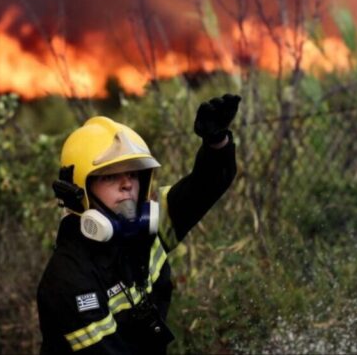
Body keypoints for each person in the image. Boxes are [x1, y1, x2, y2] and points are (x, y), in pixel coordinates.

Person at [38, 94, 241, 354]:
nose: (127, 185)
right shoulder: (67, 279)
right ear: (78, 191)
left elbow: (204, 188)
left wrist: (217, 143)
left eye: (133, 174)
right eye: (111, 177)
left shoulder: (144, 229)